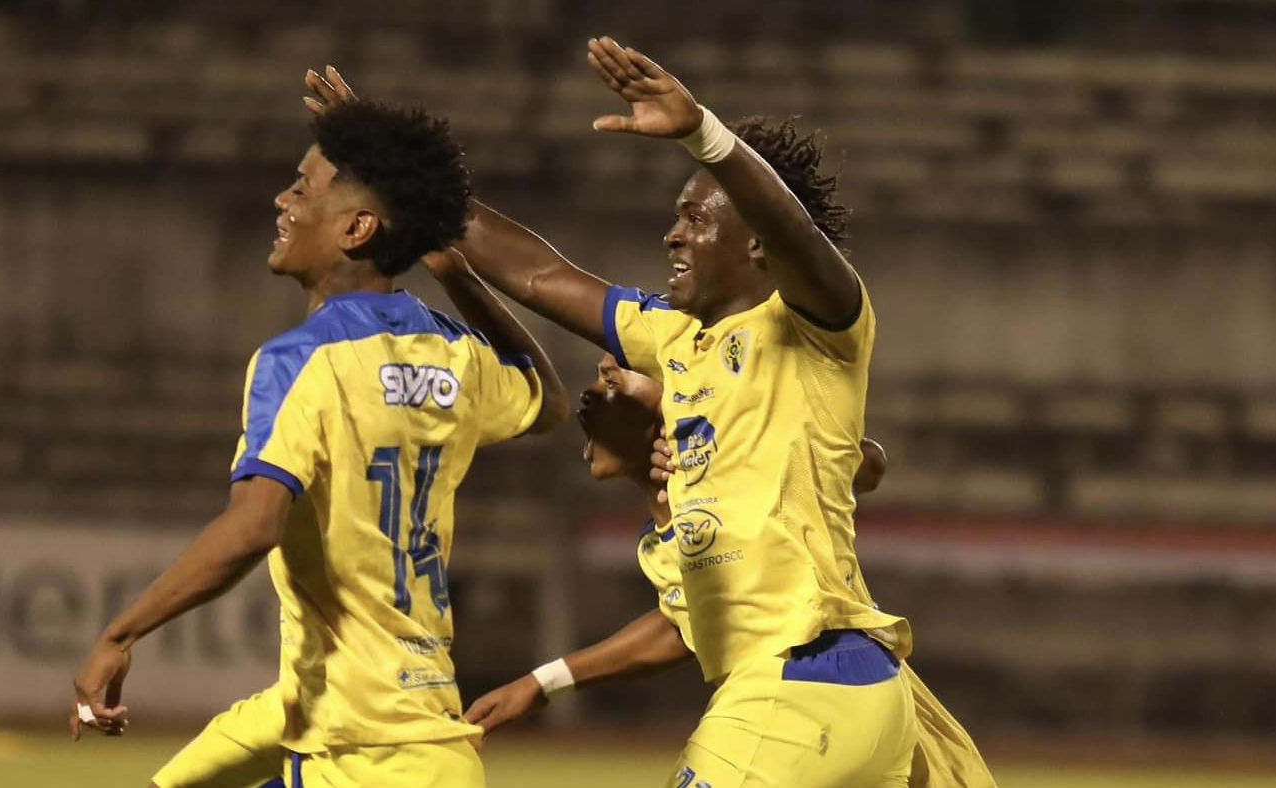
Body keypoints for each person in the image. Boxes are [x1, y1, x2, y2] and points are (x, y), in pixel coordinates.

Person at [307, 35, 915, 786]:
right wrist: (391, 168)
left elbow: (796, 234)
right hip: (834, 693)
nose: (673, 233)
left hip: (800, 687)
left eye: (695, 219)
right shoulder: (674, 339)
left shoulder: (821, 320)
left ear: (758, 245)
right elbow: (538, 274)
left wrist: (706, 135)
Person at [68, 99, 569, 788]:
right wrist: (457, 277)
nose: (283, 200)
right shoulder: (455, 355)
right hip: (380, 724)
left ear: (357, 228)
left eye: (303, 189)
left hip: (364, 750)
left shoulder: (300, 360)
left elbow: (254, 526)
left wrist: (118, 634)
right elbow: (547, 400)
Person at [465, 356, 997, 788]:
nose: (593, 393)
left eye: (611, 379)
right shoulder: (667, 533)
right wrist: (543, 682)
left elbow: (868, 461)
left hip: (809, 683)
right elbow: (680, 628)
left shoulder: (732, 471)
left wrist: (704, 419)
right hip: (857, 698)